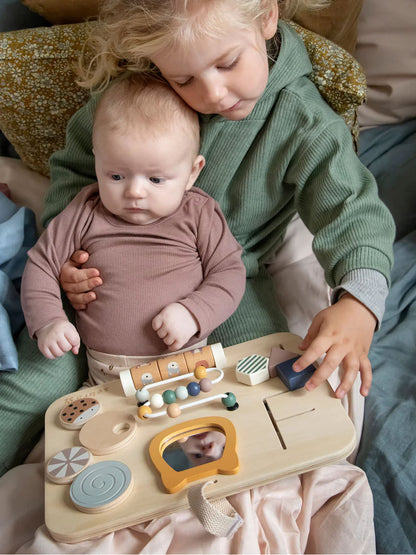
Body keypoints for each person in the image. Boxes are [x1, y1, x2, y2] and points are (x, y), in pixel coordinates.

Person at [0, 0, 395, 479]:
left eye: (228, 63)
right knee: (28, 389)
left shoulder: (301, 119)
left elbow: (353, 209)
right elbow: (75, 173)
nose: (212, 93)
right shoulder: (129, 93)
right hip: (101, 287)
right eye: (183, 80)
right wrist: (68, 260)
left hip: (226, 282)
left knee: (272, 385)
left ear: (266, 17)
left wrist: (359, 302)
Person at [21, 73, 246, 385]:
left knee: (206, 427)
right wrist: (48, 321)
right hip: (106, 376)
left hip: (186, 368)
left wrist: (194, 313)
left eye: (155, 179)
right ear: (97, 161)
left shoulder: (198, 213)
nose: (134, 192)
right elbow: (41, 264)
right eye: (116, 176)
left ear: (192, 173)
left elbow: (230, 274)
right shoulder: (85, 210)